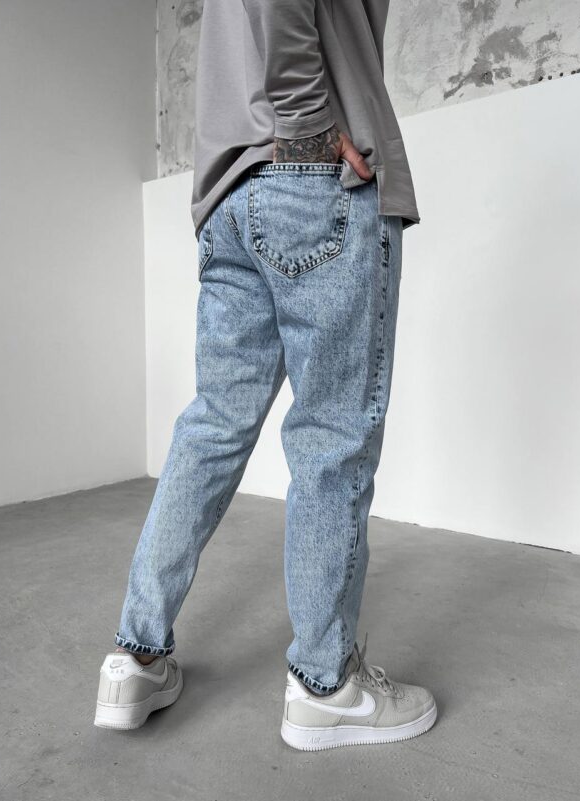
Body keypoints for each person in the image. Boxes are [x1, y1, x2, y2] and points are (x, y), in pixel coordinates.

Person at [94, 0, 437, 750]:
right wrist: (312, 126)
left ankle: (134, 657)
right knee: (333, 435)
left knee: (214, 424)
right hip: (314, 181)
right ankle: (326, 686)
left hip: (229, 196)